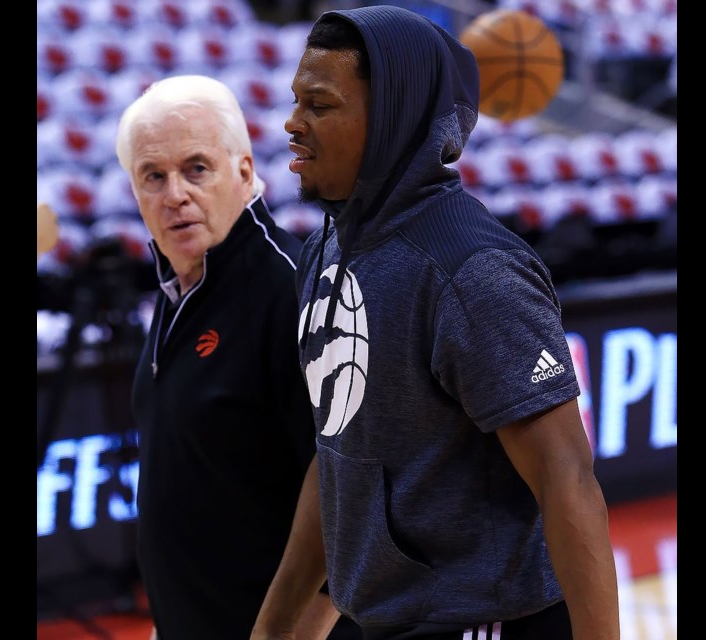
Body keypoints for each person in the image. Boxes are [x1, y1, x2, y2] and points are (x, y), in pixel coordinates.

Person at [252, 7, 619, 640]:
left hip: (488, 622)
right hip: (386, 622)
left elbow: (568, 481)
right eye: (295, 102)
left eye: (320, 104)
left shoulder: (474, 271)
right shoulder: (326, 250)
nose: (293, 124)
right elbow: (339, 452)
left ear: (391, 118)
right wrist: (275, 629)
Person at [115, 75, 355, 640]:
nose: (174, 194)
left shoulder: (296, 292)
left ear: (244, 172)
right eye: (153, 176)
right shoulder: (180, 285)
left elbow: (354, 495)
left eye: (196, 168)